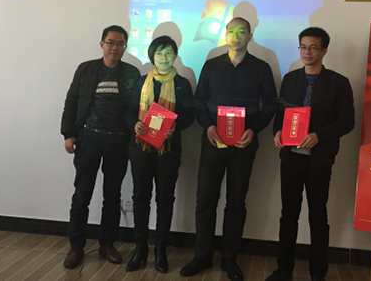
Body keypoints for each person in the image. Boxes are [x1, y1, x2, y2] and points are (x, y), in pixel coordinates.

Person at [180, 17, 277, 281]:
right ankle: (202, 255)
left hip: (244, 144)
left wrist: (253, 130)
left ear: (250, 36)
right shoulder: (211, 65)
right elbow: (199, 101)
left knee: (236, 202)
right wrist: (208, 126)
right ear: (225, 34)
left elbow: (270, 104)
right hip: (213, 142)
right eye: (231, 30)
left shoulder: (261, 68)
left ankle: (230, 258)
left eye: (241, 31)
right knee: (205, 200)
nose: (235, 35)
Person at [266, 27, 355, 281]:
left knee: (317, 216)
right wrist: (277, 131)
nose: (307, 52)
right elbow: (281, 113)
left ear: (324, 50)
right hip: (290, 158)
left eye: (313, 47)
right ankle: (284, 269)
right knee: (288, 215)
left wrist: (319, 135)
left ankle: (318, 273)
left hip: (319, 160)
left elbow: (347, 122)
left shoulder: (338, 83)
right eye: (303, 47)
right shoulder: (290, 79)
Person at [61, 25, 141, 269]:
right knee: (81, 194)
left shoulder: (131, 73)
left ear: (125, 47)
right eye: (110, 42)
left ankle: (107, 244)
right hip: (89, 139)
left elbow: (137, 107)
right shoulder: (86, 69)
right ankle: (76, 246)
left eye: (119, 44)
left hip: (119, 142)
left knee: (112, 195)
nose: (114, 47)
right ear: (102, 44)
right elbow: (72, 101)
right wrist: (69, 134)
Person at [125, 36, 194, 273]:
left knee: (165, 199)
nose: (163, 58)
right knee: (140, 198)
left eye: (168, 53)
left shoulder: (182, 84)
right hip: (140, 149)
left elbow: (189, 116)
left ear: (175, 55)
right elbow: (129, 111)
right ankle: (140, 249)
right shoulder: (142, 81)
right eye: (159, 53)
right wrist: (134, 124)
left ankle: (160, 251)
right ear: (152, 57)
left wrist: (177, 126)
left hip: (169, 151)